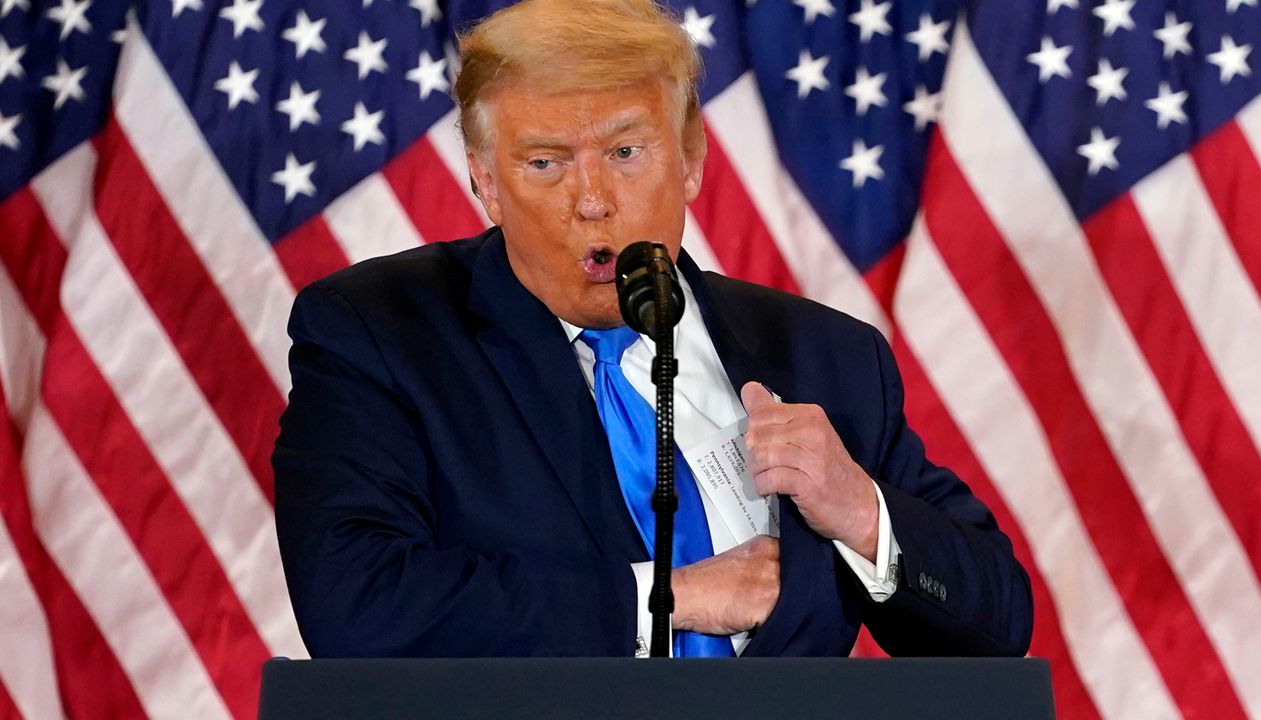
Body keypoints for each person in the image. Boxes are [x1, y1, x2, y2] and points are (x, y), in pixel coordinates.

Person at [272, 0, 1032, 659]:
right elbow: (357, 603)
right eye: (545, 163)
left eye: (627, 152)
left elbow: (998, 626)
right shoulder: (381, 334)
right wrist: (669, 597)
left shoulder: (826, 357)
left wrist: (860, 509)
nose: (594, 199)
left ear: (692, 159)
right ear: (485, 182)